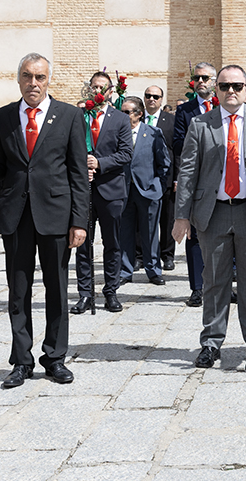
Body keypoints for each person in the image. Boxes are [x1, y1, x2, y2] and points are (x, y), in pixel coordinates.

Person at [0, 52, 90, 389]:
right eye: (27, 76)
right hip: (17, 216)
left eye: (39, 77)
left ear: (48, 80)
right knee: (18, 291)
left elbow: (78, 173)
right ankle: (21, 360)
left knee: (57, 289)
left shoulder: (69, 116)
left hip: (56, 215)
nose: (33, 83)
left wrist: (79, 221)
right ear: (18, 78)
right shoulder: (3, 116)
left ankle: (54, 357)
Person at [173, 64, 246, 369]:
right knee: (214, 280)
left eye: (237, 86)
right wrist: (181, 215)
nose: (231, 91)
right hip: (214, 212)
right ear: (217, 90)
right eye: (224, 86)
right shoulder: (201, 124)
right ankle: (211, 343)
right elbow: (187, 171)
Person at [71, 71, 134, 314]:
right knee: (82, 244)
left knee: (112, 244)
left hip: (111, 190)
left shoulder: (120, 119)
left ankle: (111, 291)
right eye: (94, 87)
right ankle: (85, 294)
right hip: (83, 191)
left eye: (102, 88)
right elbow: (67, 150)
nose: (97, 91)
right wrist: (81, 168)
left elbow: (126, 153)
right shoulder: (79, 116)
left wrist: (100, 164)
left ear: (110, 91)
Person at [172, 62, 219, 307]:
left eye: (205, 78)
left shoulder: (223, 106)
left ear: (214, 81)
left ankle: (224, 285)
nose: (200, 82)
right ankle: (197, 288)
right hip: (197, 179)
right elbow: (177, 143)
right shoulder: (185, 110)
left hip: (221, 178)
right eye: (197, 78)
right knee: (195, 235)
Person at [118, 95, 171, 286]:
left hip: (148, 191)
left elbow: (164, 162)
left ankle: (154, 270)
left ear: (139, 114)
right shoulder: (117, 133)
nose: (123, 116)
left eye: (127, 112)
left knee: (150, 233)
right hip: (124, 191)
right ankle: (125, 270)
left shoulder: (153, 133)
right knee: (125, 232)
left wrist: (158, 186)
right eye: (121, 112)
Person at [142, 85, 177, 272]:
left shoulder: (171, 120)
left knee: (167, 218)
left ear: (161, 99)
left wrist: (177, 177)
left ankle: (167, 255)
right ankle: (140, 255)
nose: (151, 99)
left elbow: (177, 151)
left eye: (155, 96)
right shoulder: (137, 118)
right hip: (141, 177)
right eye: (148, 95)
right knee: (141, 218)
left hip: (166, 177)